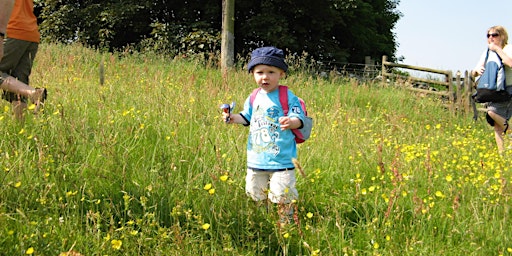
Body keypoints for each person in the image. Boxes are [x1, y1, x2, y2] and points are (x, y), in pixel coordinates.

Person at [222, 46, 305, 222]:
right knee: (256, 195)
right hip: (256, 160)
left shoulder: (287, 95)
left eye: (271, 72)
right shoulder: (253, 96)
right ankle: (263, 222)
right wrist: (231, 118)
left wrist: (292, 122)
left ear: (281, 73)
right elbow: (246, 117)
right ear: (253, 73)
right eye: (259, 72)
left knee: (283, 196)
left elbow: (300, 117)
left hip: (282, 160)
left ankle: (286, 225)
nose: (265, 77)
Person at [0, 0, 46, 120]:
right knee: (18, 85)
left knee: (20, 88)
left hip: (12, 32)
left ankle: (33, 93)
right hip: (30, 34)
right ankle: (20, 130)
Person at [472, 25, 512, 153]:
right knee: (496, 125)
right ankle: (502, 155)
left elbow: (509, 62)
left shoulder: (508, 48)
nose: (491, 38)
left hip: (508, 89)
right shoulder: (487, 53)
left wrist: (497, 49)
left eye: (494, 35)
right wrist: (476, 71)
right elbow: (474, 71)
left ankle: (510, 131)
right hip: (494, 91)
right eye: (488, 35)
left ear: (502, 36)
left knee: (492, 112)